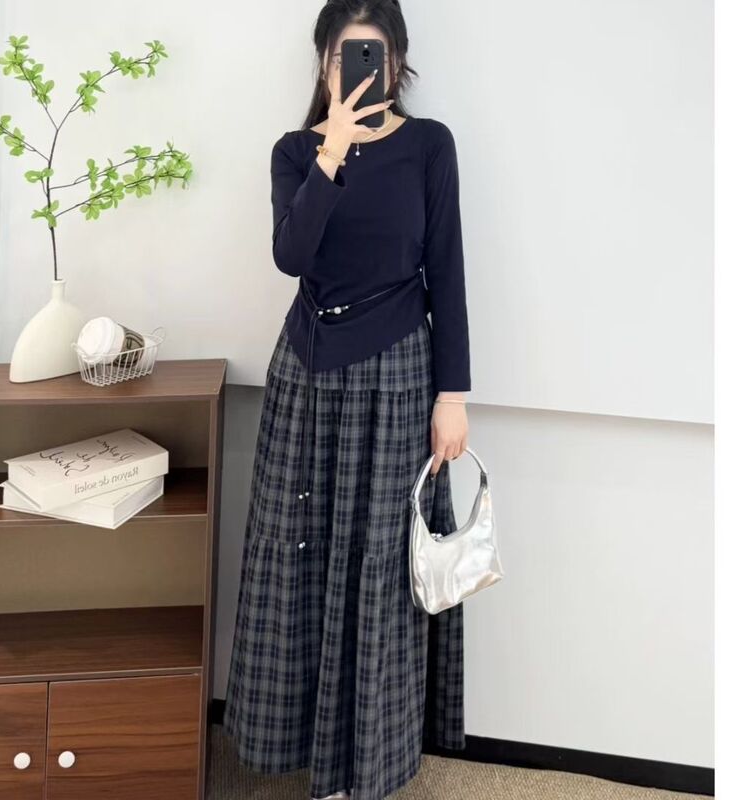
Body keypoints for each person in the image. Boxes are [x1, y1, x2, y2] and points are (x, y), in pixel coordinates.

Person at [223, 2, 471, 799]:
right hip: (306, 371)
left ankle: (364, 767)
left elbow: (447, 271)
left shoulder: (429, 146)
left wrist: (453, 394)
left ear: (397, 61)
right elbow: (292, 255)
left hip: (398, 370)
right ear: (324, 65)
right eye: (344, 56)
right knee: (296, 558)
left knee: (381, 568)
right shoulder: (296, 152)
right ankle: (303, 753)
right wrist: (331, 152)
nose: (361, 68)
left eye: (374, 53)